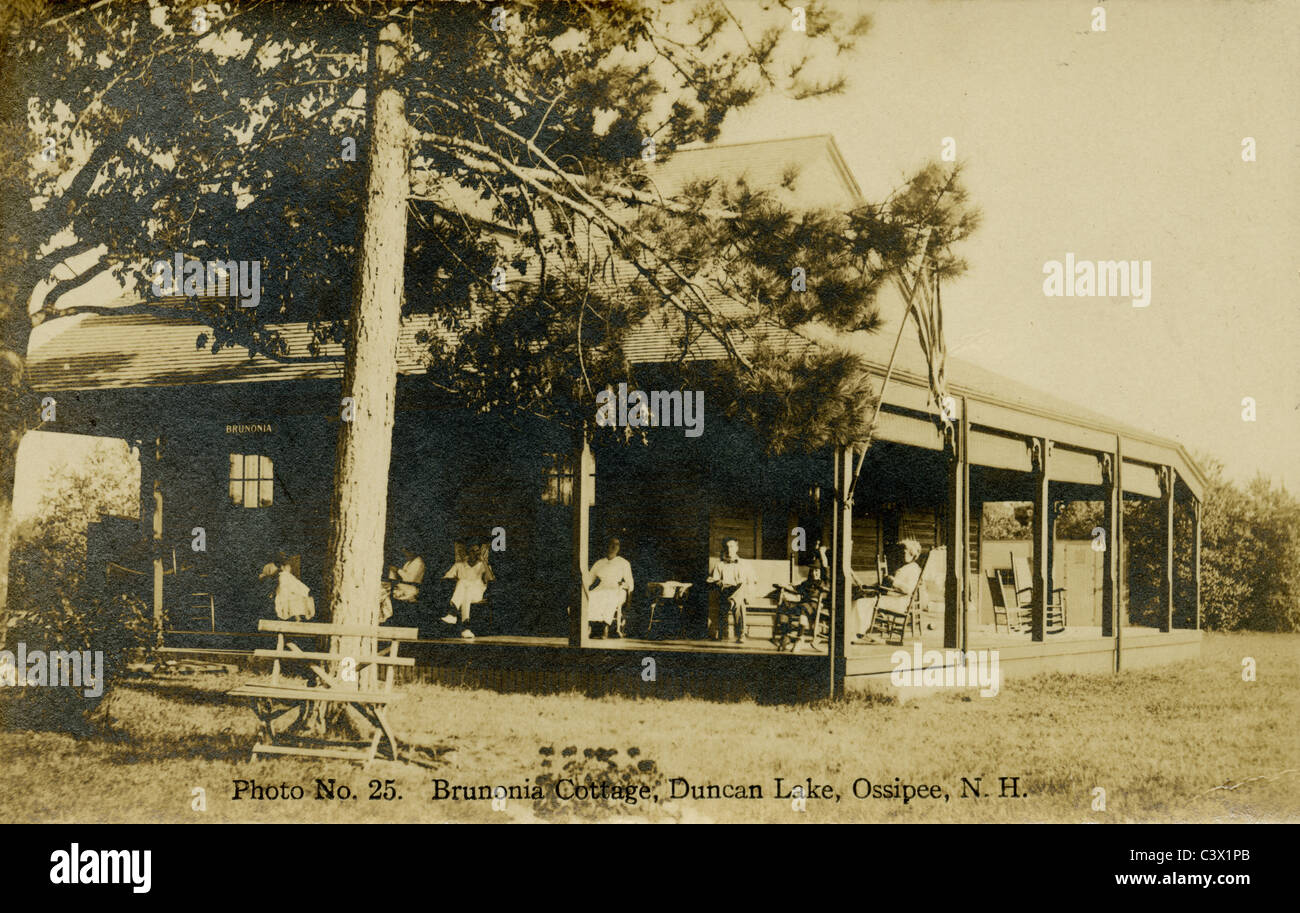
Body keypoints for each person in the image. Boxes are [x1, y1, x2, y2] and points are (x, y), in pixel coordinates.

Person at [853, 539, 923, 642]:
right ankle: (856, 631)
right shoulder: (906, 567)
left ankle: (859, 632)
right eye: (899, 552)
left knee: (862, 602)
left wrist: (893, 581)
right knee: (862, 600)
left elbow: (908, 590)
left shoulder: (913, 569)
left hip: (899, 602)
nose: (900, 554)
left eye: (903, 552)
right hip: (893, 598)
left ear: (912, 554)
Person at [707, 537, 756, 643]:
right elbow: (714, 582)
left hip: (740, 593)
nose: (729, 549)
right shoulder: (720, 565)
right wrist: (718, 582)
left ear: (737, 548)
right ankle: (742, 634)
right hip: (724, 593)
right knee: (738, 602)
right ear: (724, 549)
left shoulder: (745, 564)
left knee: (740, 591)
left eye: (732, 546)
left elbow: (751, 582)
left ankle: (732, 602)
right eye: (727, 547)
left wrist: (749, 596)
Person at [442, 541, 494, 638]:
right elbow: (446, 577)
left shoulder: (483, 565)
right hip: (464, 593)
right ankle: (466, 628)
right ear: (468, 553)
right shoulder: (459, 565)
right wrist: (454, 580)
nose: (475, 553)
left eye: (477, 551)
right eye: (472, 551)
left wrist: (484, 561)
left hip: (477, 592)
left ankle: (453, 613)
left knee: (464, 583)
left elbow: (491, 578)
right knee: (465, 589)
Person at [587, 537, 634, 639]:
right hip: (602, 587)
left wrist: (629, 600)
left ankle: (605, 628)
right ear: (606, 546)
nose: (614, 547)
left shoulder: (624, 563)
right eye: (611, 544)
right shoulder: (599, 563)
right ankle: (591, 627)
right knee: (590, 596)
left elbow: (630, 583)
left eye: (617, 544)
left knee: (610, 597)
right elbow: (588, 580)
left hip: (618, 589)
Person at [259, 553, 315, 621]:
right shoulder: (283, 575)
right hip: (286, 595)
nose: (290, 568)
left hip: (289, 595)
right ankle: (296, 618)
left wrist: (304, 590)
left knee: (294, 603)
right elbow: (294, 585)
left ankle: (297, 618)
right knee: (291, 604)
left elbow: (295, 584)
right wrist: (304, 591)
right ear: (283, 567)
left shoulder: (284, 576)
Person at [380, 545, 426, 625]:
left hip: (412, 587)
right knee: (383, 586)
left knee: (385, 589)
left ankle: (384, 614)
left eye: (407, 553)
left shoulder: (418, 562)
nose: (406, 555)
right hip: (404, 584)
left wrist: (397, 570)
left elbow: (409, 579)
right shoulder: (409, 562)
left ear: (412, 552)